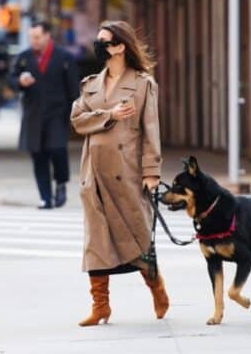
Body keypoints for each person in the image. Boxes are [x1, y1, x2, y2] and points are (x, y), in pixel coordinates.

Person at [70, 20, 168, 326]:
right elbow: (77, 120)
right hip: (93, 174)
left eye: (104, 41)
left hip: (126, 174)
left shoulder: (142, 84)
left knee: (137, 237)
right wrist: (108, 115)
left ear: (120, 46)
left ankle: (157, 288)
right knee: (96, 241)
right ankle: (101, 306)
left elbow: (151, 131)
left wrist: (152, 172)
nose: (98, 46)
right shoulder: (90, 85)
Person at [10, 21, 79, 209]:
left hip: (57, 112)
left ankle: (62, 182)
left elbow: (74, 87)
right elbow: (12, 80)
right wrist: (20, 82)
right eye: (31, 37)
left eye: (37, 37)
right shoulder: (23, 58)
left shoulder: (64, 57)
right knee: (38, 155)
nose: (34, 40)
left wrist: (76, 112)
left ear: (47, 36)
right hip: (33, 114)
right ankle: (46, 198)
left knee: (57, 149)